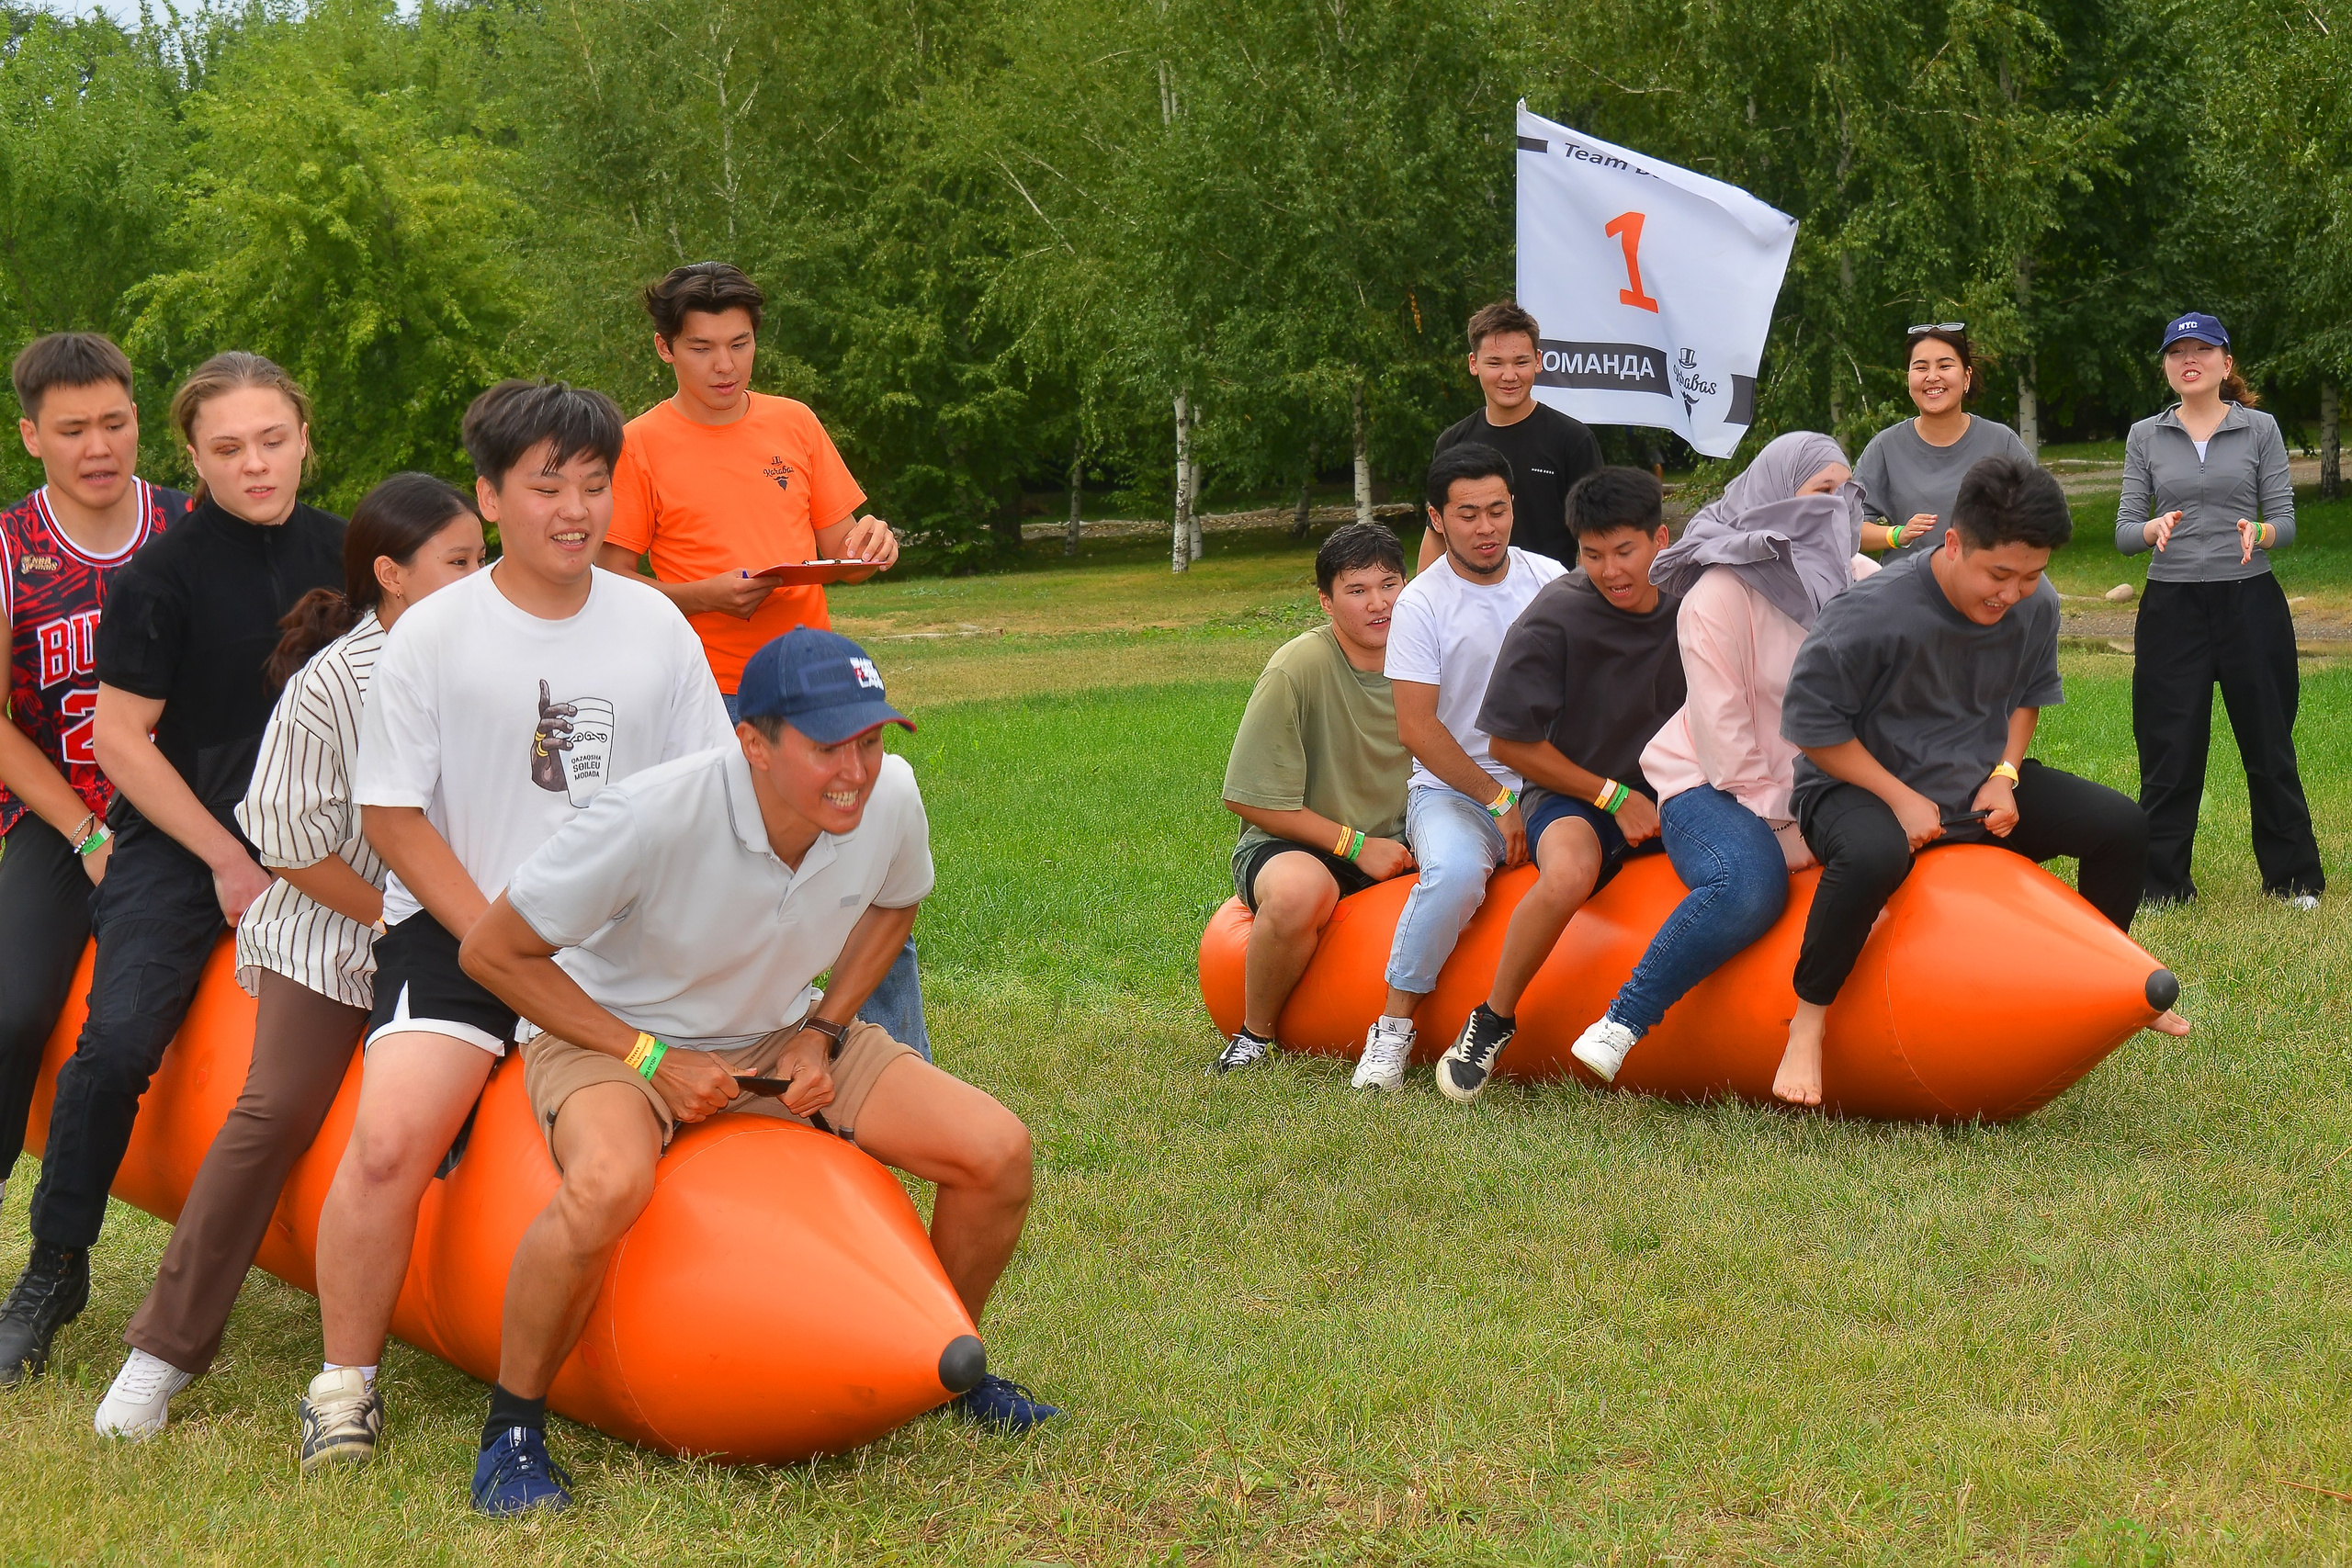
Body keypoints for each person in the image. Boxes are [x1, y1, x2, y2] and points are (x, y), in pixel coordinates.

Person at [457, 627, 1051, 1517]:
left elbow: (897, 901)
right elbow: (492, 952)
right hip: (613, 1034)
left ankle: (939, 1364)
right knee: (609, 1184)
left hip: (777, 1030)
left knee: (996, 1153)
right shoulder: (649, 814)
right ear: (753, 744)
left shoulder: (888, 796)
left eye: (870, 740)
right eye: (826, 748)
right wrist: (647, 1058)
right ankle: (513, 1430)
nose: (854, 770)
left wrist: (823, 1028)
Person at [302, 379, 731, 1472]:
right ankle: (344, 1382)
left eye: (594, 484)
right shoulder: (435, 632)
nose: (575, 509)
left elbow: (704, 794)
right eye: (548, 485)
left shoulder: (656, 626)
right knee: (393, 1136)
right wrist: (493, 930)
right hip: (456, 928)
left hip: (616, 940)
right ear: (491, 498)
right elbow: (391, 816)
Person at [93, 474, 485, 1438]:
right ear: (391, 575)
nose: (483, 578)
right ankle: (163, 1351)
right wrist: (405, 920)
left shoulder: (497, 657)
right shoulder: (334, 684)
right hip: (338, 928)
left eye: (484, 558)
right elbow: (286, 843)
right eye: (461, 563)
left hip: (472, 928)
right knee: (273, 1109)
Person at [0, 352, 341, 1385]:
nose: (255, 465)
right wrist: (228, 860)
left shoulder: (351, 551)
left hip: (328, 842)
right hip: (187, 841)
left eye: (272, 441)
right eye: (229, 449)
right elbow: (118, 743)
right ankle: (56, 1267)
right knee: (114, 1042)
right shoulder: (164, 572)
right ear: (195, 458)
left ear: (303, 440)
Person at [1773, 454, 2189, 1108]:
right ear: (1954, 543)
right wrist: (1901, 798)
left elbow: (2028, 692)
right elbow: (1811, 728)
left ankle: (2110, 982)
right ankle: (1809, 1020)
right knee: (1874, 853)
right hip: (1855, 786)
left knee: (2121, 826)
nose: (2013, 592)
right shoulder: (1871, 611)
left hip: (1972, 781)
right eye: (1999, 574)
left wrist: (2004, 774)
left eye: (2031, 575)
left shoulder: (2035, 602)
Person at [594, 261, 933, 1058]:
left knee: (860, 868)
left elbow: (837, 546)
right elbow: (610, 584)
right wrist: (706, 595)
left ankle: (897, 1065)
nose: (724, 365)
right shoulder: (637, 445)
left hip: (814, 688)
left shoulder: (794, 423)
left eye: (739, 344)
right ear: (663, 349)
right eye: (703, 347)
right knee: (736, 892)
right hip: (704, 695)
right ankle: (727, 1053)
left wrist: (869, 544)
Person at [1564, 434, 1877, 1084]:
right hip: (1710, 786)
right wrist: (1789, 827)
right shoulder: (1720, 595)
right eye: (1821, 492)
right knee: (1748, 884)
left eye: (1847, 492)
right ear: (1774, 494)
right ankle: (1623, 1018)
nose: (1838, 507)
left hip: (1824, 781)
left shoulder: (1863, 582)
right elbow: (1724, 737)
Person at [0, 333, 188, 1227]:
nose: (100, 447)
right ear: (33, 436)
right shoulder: (9, 548)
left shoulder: (192, 531)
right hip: (60, 810)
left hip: (184, 809)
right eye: (73, 429)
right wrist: (86, 835)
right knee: (12, 1010)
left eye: (115, 423)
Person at [1438, 468, 1685, 1101]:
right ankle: (1490, 1019)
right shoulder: (1555, 615)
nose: (1610, 570)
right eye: (1592, 554)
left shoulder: (1695, 599)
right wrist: (1611, 796)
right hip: (1578, 793)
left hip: (1681, 788)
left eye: (1625, 550)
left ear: (1660, 539)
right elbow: (1508, 743)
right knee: (1570, 872)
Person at [1357, 445, 1566, 1092]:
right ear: (1437, 519)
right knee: (1449, 877)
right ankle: (1391, 1031)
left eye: (1497, 510)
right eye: (1468, 514)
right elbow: (1418, 728)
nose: (1486, 527)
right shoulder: (1420, 604)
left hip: (1549, 780)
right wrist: (1499, 802)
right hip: (1457, 790)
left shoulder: (1551, 578)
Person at [2115, 311, 2322, 908]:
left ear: (2225, 364)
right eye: (2178, 350)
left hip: (2249, 601)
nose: (2190, 358)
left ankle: (2293, 879)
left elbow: (2284, 521)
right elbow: (2127, 531)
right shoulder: (2144, 436)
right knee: (2168, 750)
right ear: (2167, 367)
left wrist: (2260, 529)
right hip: (2171, 607)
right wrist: (2152, 526)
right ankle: (2160, 883)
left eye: (2203, 349)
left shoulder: (2260, 429)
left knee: (2268, 743)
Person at [1210, 522, 1415, 1074]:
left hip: (1405, 848)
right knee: (1301, 893)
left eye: (1390, 585)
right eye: (1357, 590)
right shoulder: (1298, 666)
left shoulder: (1427, 659)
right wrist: (1355, 845)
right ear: (1326, 600)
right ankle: (1255, 1036)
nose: (1379, 603)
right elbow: (1249, 800)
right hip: (1298, 845)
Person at [1421, 299, 1603, 572]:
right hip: (1470, 603)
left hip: (1549, 600)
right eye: (1495, 363)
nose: (1509, 375)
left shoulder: (1573, 440)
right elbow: (1437, 533)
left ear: (1538, 362)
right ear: (1474, 364)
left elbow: (1598, 536)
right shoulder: (1452, 442)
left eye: (1520, 362)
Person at [1853, 323, 2031, 558]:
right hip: (1908, 588)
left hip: (1985, 587)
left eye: (1945, 366)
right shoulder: (1885, 447)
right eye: (1920, 367)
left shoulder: (2001, 441)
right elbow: (1848, 529)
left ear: (1966, 377)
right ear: (1908, 379)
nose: (1932, 377)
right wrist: (1896, 535)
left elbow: (2039, 515)